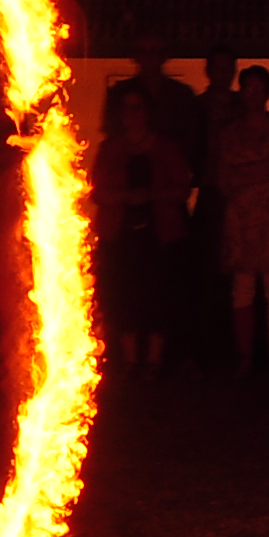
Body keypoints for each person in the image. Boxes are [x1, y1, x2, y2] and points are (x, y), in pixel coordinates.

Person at [209, 64, 269, 375]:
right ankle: (245, 356)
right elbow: (224, 177)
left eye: (259, 89)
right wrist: (262, 170)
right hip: (241, 215)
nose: (254, 94)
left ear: (268, 92)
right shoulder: (228, 132)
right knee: (243, 286)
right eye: (249, 88)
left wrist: (244, 172)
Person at [93, 91, 190, 375]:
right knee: (125, 295)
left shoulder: (166, 147)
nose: (132, 114)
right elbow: (97, 191)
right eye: (127, 108)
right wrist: (126, 197)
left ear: (148, 112)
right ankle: (131, 359)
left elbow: (182, 188)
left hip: (160, 234)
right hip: (120, 234)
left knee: (157, 294)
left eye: (137, 108)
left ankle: (154, 359)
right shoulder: (111, 148)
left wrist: (151, 196)